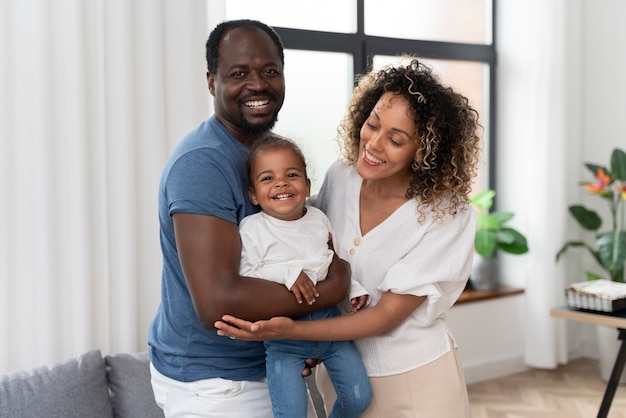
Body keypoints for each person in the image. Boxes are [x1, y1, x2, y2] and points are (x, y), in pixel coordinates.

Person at [215, 57, 482, 418]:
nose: (373, 143)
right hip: (344, 374)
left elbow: (387, 315)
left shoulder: (447, 214)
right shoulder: (341, 176)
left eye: (396, 139)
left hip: (417, 383)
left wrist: (297, 332)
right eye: (373, 124)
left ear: (425, 151)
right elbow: (304, 244)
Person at [147, 19, 351, 418]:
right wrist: (335, 285)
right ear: (212, 82)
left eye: (269, 71)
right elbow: (216, 302)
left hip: (271, 363)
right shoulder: (202, 164)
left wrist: (302, 338)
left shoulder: (265, 156)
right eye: (239, 73)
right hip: (218, 384)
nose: (258, 85)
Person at [240, 133, 371, 418]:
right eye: (267, 178)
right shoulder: (252, 229)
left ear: (307, 185)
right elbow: (246, 274)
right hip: (283, 341)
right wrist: (288, 273)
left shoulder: (318, 219)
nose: (281, 183)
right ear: (253, 194)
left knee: (360, 398)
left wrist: (354, 289)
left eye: (291, 174)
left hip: (331, 327)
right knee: (291, 414)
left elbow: (332, 261)